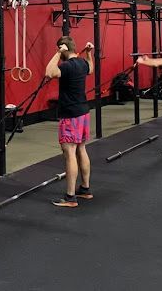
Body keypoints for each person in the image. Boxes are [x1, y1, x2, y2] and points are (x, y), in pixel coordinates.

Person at [45, 35, 94, 208]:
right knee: (81, 148)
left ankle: (70, 197)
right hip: (83, 112)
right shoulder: (81, 63)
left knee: (70, 153)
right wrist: (89, 53)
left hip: (71, 114)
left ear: (64, 48)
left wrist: (58, 53)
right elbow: (90, 69)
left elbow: (49, 72)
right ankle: (85, 189)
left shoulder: (66, 66)